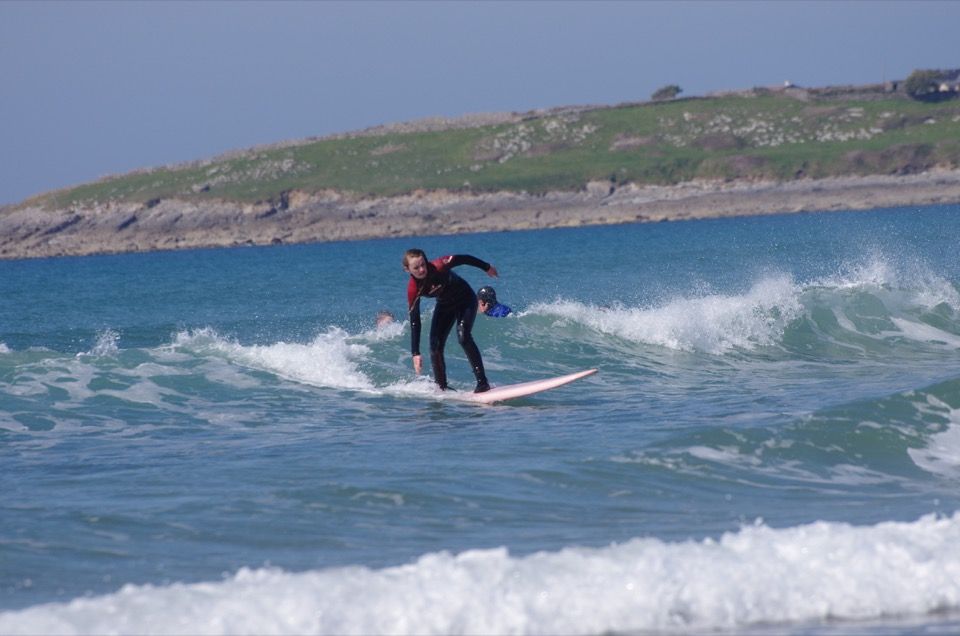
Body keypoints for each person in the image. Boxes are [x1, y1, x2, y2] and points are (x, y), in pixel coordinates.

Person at [402, 248, 499, 393]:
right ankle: (441, 387)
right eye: (416, 268)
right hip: (445, 305)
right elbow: (415, 320)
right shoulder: (413, 290)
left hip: (465, 299)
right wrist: (415, 353)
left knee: (463, 337)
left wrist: (486, 267)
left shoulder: (440, 265)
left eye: (423, 264)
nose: (422, 269)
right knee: (435, 345)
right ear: (407, 269)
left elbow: (463, 258)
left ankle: (482, 383)